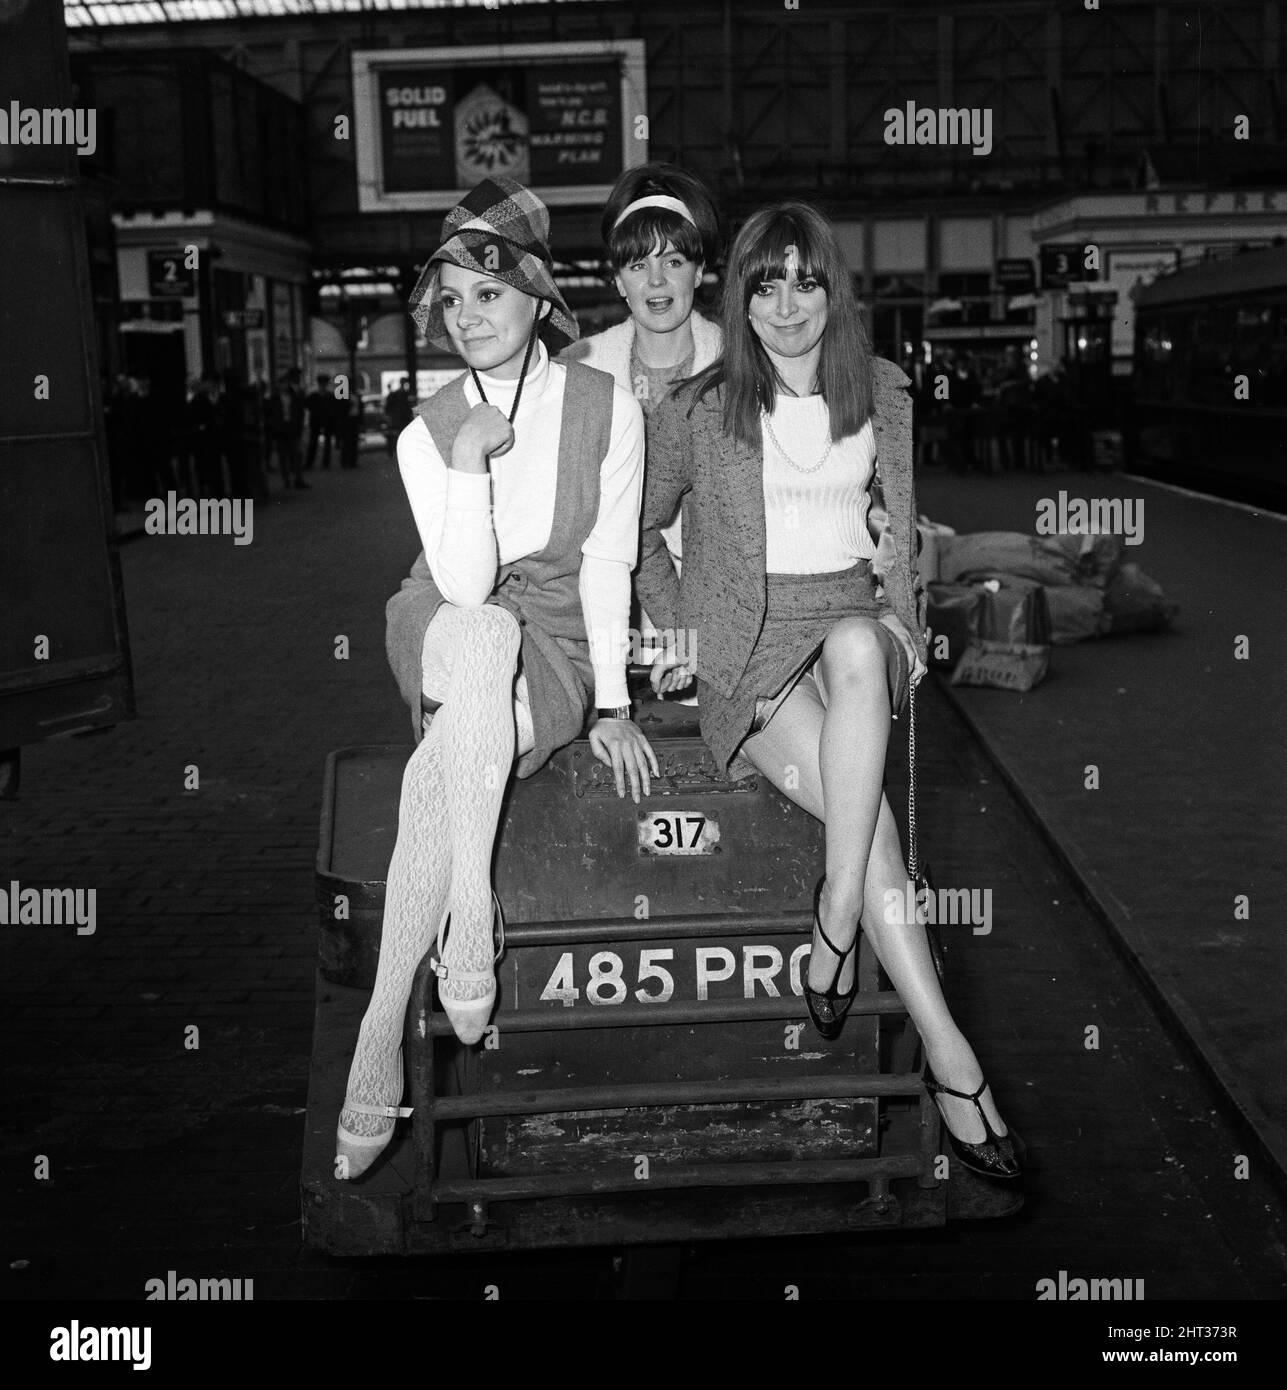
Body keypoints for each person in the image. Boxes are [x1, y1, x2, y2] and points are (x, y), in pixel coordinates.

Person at [636, 201, 1023, 1185]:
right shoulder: (696, 408)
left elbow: (897, 519)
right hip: (752, 645)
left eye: (806, 279)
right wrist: (679, 621)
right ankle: (952, 1056)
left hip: (862, 633)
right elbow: (639, 530)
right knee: (874, 827)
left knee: (858, 637)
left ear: (832, 287)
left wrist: (906, 599)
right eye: (765, 283)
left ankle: (836, 923)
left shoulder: (886, 391)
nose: (787, 303)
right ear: (742, 296)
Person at [336, 177, 659, 1180]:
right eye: (452, 298)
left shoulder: (607, 407)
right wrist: (470, 459)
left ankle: (379, 1027)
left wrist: (613, 698)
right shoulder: (424, 430)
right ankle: (468, 914)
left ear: (535, 299)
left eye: (490, 292)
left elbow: (607, 563)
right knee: (473, 637)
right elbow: (466, 583)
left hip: (555, 635)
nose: (467, 317)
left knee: (444, 767)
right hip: (439, 614)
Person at [560, 162, 723, 586]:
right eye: (637, 265)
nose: (655, 281)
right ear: (617, 280)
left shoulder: (740, 364)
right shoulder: (577, 367)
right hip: (605, 585)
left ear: (699, 270)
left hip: (718, 588)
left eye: (672, 261)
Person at [266, 367, 307, 490]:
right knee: (283, 457)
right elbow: (269, 414)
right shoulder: (274, 398)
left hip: (292, 429)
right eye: (282, 384)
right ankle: (286, 480)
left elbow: (300, 411)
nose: (284, 386)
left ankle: (298, 479)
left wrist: (299, 425)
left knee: (296, 455)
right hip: (280, 430)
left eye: (286, 383)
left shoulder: (295, 396)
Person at [304, 372, 335, 471]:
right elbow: (307, 406)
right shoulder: (314, 396)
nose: (323, 385)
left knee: (326, 443)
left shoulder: (329, 395)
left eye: (324, 383)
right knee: (314, 442)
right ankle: (311, 462)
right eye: (322, 383)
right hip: (317, 421)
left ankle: (324, 462)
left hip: (326, 421)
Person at [383, 376, 413, 457]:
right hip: (400, 417)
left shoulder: (400, 393)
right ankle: (395, 451)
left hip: (400, 417)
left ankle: (393, 451)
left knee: (396, 434)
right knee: (397, 434)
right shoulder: (402, 393)